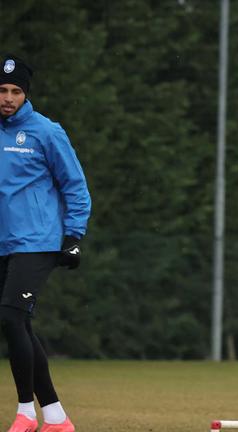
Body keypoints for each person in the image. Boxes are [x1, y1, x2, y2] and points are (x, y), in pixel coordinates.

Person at [0, 54, 91, 432]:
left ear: (26, 94)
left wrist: (73, 236)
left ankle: (25, 412)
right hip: (3, 243)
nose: (7, 97)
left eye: (15, 91)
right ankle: (55, 416)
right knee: (20, 326)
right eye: (2, 90)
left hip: (37, 241)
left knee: (10, 317)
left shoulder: (46, 132)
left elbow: (76, 186)